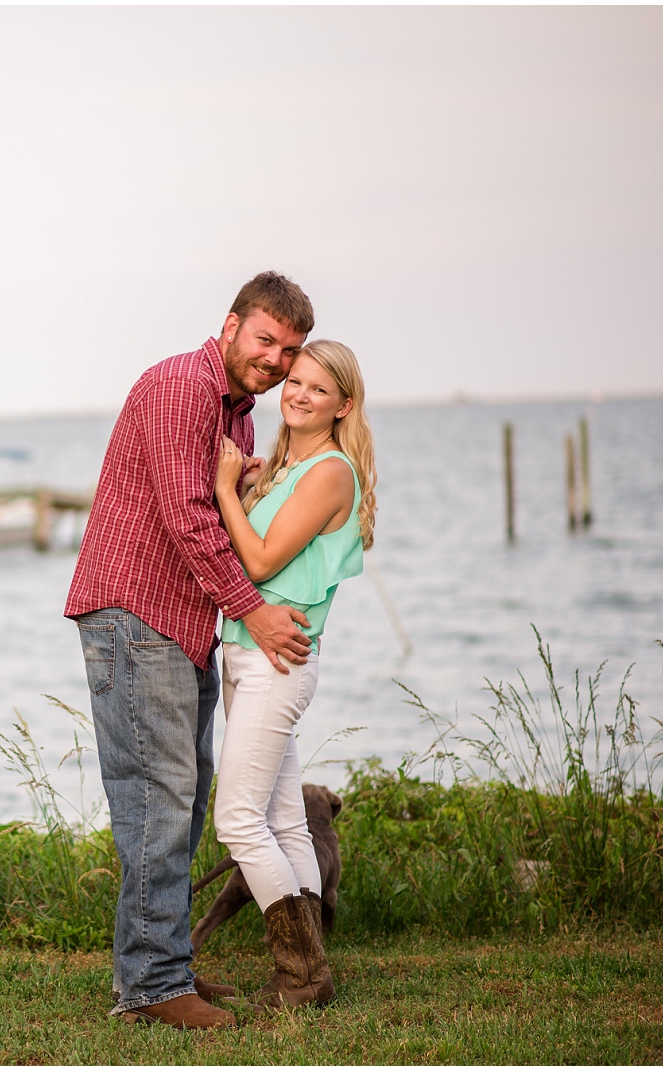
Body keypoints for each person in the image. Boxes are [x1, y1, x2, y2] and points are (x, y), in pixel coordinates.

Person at [65, 271, 316, 1031]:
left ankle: (164, 962)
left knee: (184, 790)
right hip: (136, 614)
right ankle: (149, 985)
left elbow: (227, 516)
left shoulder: (235, 418)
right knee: (157, 797)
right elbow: (187, 518)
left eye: (290, 351)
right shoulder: (182, 388)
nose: (275, 360)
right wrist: (256, 614)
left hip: (180, 625)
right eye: (266, 339)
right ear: (232, 324)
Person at [212, 339, 376, 1009]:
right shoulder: (288, 467)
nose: (299, 393)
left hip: (275, 663)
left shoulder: (331, 472)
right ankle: (309, 964)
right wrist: (250, 484)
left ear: (344, 403)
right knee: (281, 817)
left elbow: (256, 563)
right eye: (295, 381)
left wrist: (224, 488)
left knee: (238, 817)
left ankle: (303, 974)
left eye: (317, 386)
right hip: (245, 652)